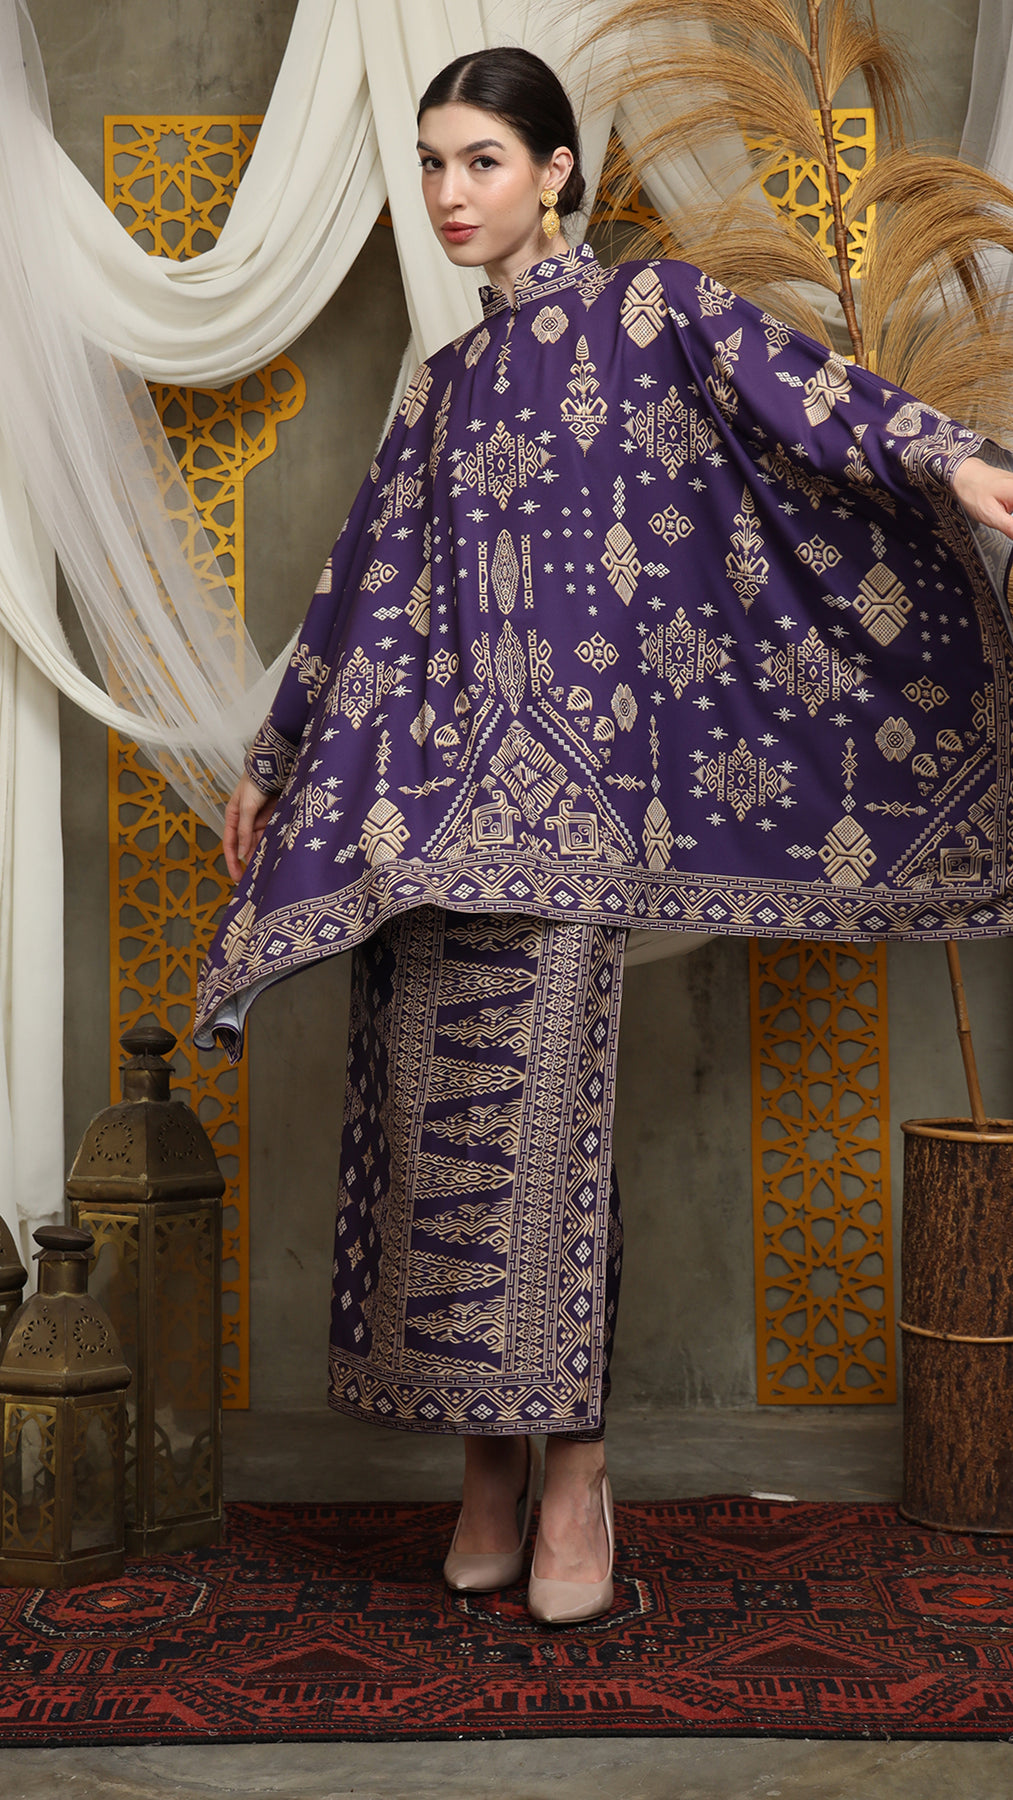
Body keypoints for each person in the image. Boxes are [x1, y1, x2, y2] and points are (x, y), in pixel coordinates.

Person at [196, 46, 1013, 1626]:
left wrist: (956, 460)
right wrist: (274, 755)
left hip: (577, 815)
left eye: (481, 162)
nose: (448, 194)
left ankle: (572, 1471)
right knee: (431, 1134)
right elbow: (357, 579)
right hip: (423, 818)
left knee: (541, 1136)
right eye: (431, 163)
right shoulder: (438, 385)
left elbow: (809, 398)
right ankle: (483, 1473)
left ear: (554, 171)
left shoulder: (655, 312)